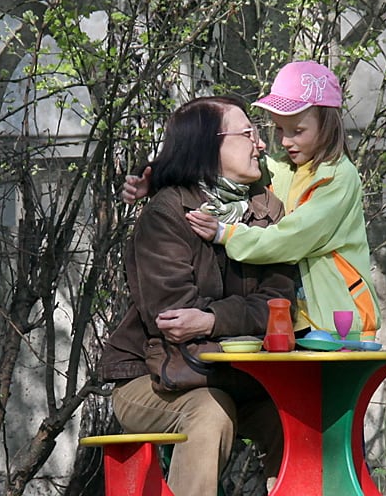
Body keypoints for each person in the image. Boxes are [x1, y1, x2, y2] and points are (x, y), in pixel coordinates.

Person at [100, 95, 298, 496]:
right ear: (210, 145)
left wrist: (211, 319)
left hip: (242, 379)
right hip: (156, 378)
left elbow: (279, 306)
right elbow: (174, 318)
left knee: (301, 420)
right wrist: (237, 318)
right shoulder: (167, 213)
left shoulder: (267, 209)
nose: (260, 144)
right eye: (248, 134)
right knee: (210, 412)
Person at [124, 61, 381, 338]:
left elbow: (292, 238)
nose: (283, 142)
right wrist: (156, 177)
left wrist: (226, 234)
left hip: (342, 322)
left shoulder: (338, 178)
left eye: (297, 131)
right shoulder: (284, 169)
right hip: (302, 326)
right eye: (279, 129)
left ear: (328, 126)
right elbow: (205, 164)